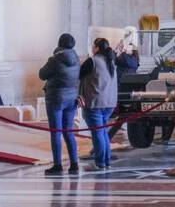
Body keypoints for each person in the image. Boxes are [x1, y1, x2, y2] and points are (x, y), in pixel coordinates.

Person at [39, 33, 81, 174]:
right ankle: (74, 163)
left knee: (56, 132)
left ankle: (57, 165)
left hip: (56, 98)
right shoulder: (76, 59)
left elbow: (42, 74)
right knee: (68, 131)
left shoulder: (55, 59)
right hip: (71, 98)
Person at [78, 37, 118, 170]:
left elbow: (78, 73)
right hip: (109, 103)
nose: (91, 48)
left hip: (95, 102)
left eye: (92, 46)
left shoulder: (93, 60)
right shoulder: (111, 60)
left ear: (97, 48)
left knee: (98, 134)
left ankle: (100, 162)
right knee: (103, 132)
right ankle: (106, 161)